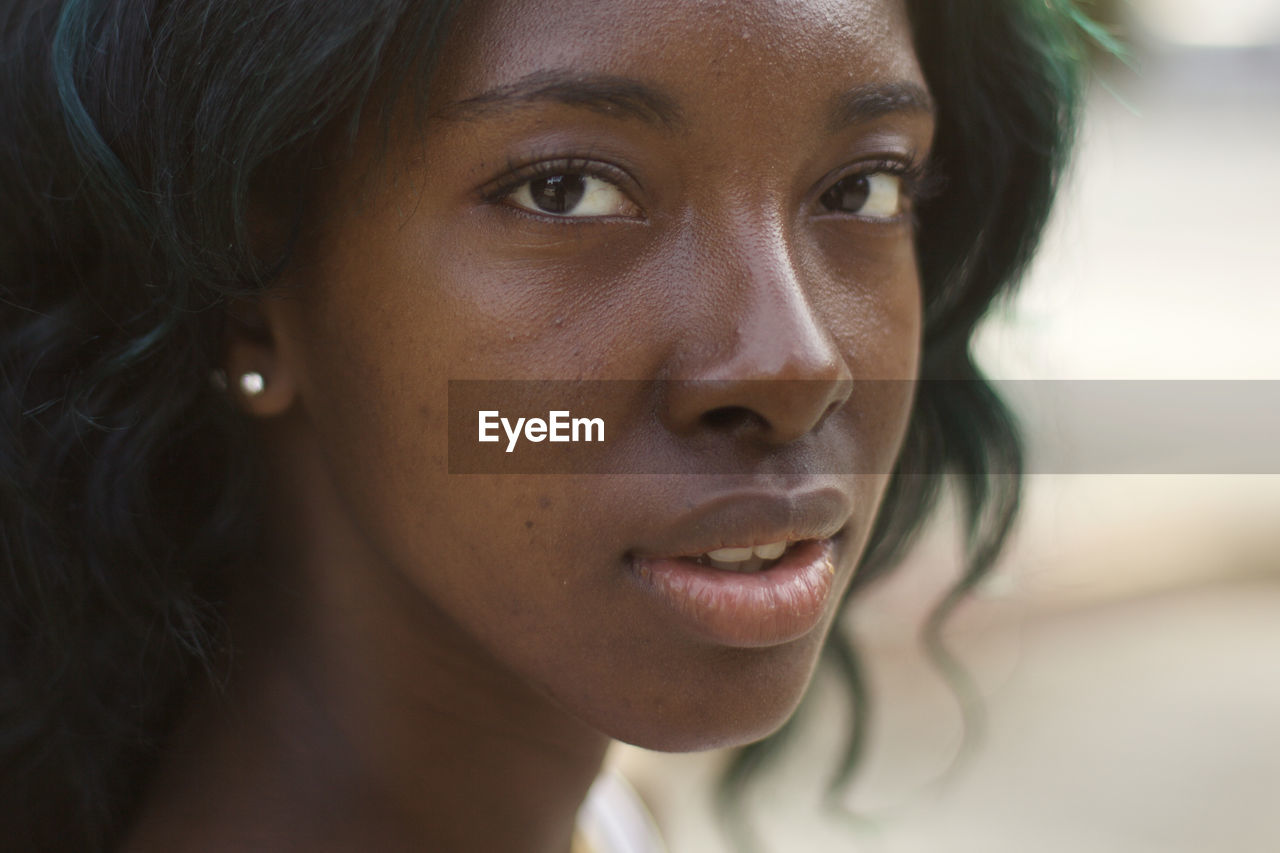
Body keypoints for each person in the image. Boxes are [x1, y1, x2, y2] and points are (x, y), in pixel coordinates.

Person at [0, 0, 1087, 850]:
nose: (796, 362)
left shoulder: (608, 815)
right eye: (565, 190)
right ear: (251, 300)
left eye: (862, 188)